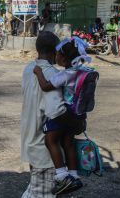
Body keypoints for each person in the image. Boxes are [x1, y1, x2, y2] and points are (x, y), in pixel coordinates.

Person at [21, 32, 85, 197]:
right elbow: (56, 111)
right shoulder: (52, 75)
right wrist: (78, 123)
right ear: (54, 52)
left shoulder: (29, 69)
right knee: (41, 194)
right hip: (45, 151)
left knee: (35, 191)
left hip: (31, 143)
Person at [33, 37, 93, 195]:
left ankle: (62, 176)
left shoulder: (66, 74)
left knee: (50, 139)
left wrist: (39, 72)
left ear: (65, 58)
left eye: (58, 54)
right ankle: (74, 176)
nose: (56, 56)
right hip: (77, 115)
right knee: (68, 143)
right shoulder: (82, 71)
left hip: (64, 113)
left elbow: (46, 86)